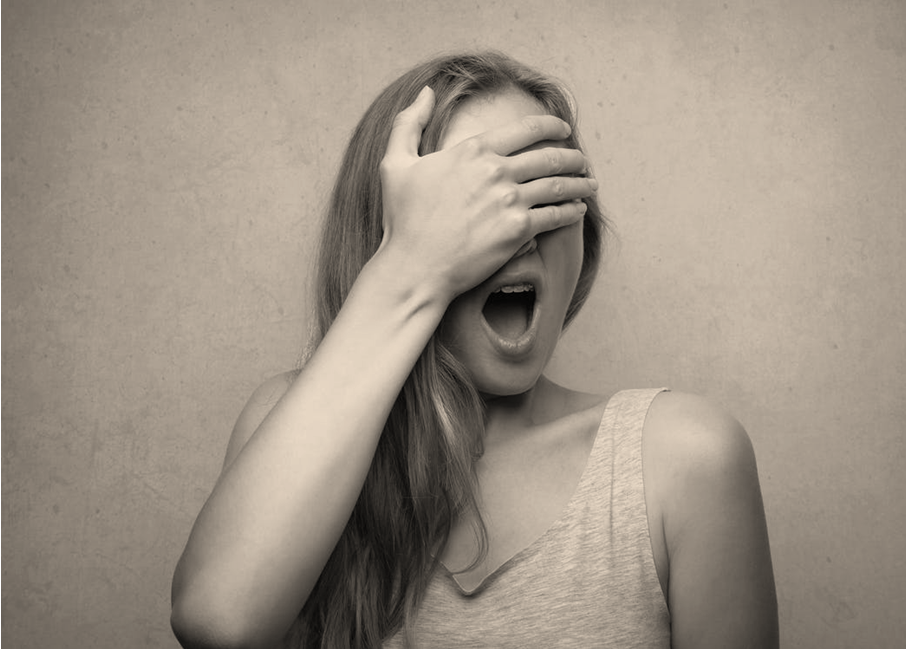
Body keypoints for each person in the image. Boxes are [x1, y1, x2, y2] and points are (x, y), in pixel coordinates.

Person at [171, 51, 778, 649]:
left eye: (542, 193)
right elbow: (219, 623)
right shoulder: (285, 422)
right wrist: (407, 271)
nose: (516, 229)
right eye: (475, 203)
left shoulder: (682, 459)